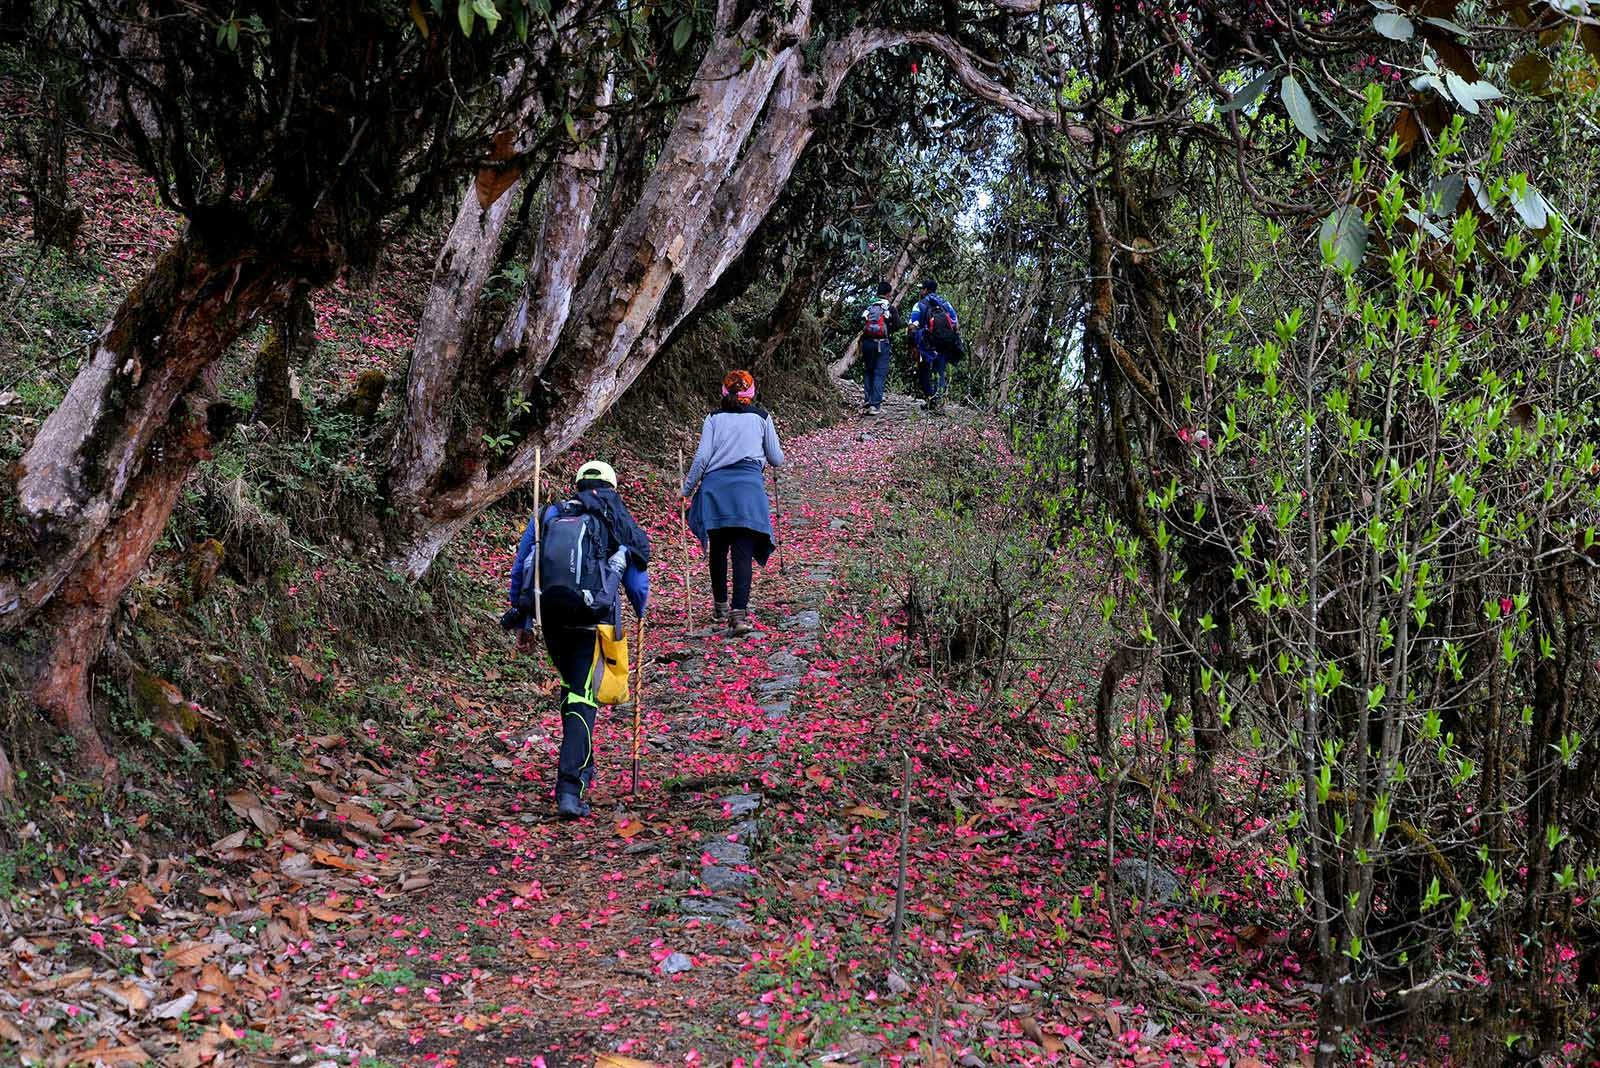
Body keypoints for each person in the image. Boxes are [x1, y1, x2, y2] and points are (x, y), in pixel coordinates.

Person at [504, 460, 650, 820]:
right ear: (612, 486)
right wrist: (641, 609)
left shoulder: (550, 514)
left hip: (551, 617)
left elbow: (523, 566)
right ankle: (570, 788)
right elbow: (634, 579)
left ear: (578, 484)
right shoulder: (612, 515)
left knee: (574, 688)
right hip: (592, 619)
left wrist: (524, 619)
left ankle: (582, 768)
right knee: (583, 696)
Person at [681, 370, 785, 636]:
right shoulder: (762, 417)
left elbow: (702, 458)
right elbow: (776, 458)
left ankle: (720, 607)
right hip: (748, 491)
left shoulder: (714, 418)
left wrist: (686, 489)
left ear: (724, 392)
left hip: (716, 491)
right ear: (751, 392)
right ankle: (739, 614)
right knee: (742, 553)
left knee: (718, 548)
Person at [908, 278, 961, 411]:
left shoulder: (919, 305)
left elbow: (912, 326)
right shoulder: (945, 304)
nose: (920, 291)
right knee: (940, 372)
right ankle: (939, 403)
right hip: (944, 344)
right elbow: (956, 324)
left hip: (926, 345)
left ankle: (931, 400)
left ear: (925, 290)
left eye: (921, 288)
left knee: (924, 371)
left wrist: (913, 343)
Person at [859, 280, 900, 416]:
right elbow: (898, 324)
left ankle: (867, 400)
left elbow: (858, 321)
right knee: (879, 373)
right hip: (882, 343)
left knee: (869, 371)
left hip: (867, 343)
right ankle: (875, 405)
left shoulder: (869, 305)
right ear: (888, 293)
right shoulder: (889, 308)